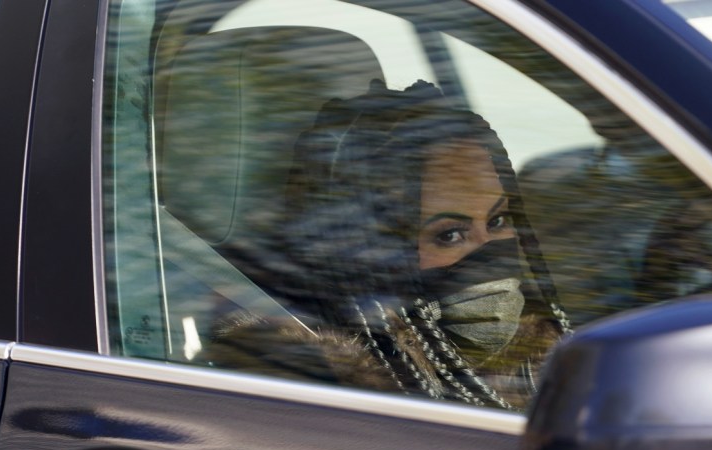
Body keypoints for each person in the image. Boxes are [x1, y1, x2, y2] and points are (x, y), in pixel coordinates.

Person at [206, 79, 569, 410]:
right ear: (371, 253)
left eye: (498, 221)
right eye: (449, 235)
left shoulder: (557, 350)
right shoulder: (318, 393)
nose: (488, 248)